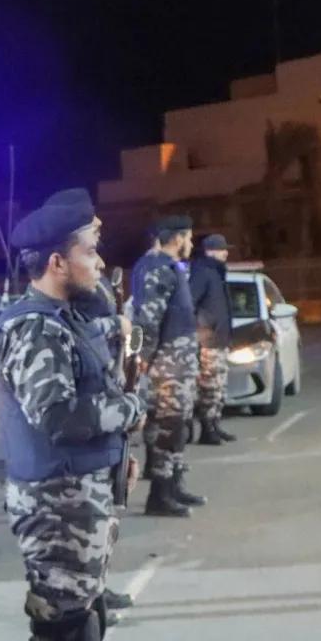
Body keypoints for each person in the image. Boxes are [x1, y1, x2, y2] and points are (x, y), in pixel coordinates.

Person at [0, 197, 153, 641]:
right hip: (56, 504)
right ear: (57, 262)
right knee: (61, 633)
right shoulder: (32, 327)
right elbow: (56, 415)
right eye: (90, 251)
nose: (100, 261)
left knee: (86, 620)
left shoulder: (67, 319)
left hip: (83, 500)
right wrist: (130, 411)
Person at [44, 189, 134, 615]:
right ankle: (87, 595)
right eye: (92, 241)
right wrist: (116, 326)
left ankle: (96, 587)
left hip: (102, 422)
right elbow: (59, 413)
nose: (98, 259)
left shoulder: (88, 289)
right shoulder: (64, 306)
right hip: (79, 441)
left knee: (102, 520)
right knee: (79, 531)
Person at [129, 216, 207, 516]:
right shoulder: (158, 268)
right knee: (169, 427)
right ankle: (160, 496)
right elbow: (146, 320)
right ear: (177, 238)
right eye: (188, 237)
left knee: (179, 425)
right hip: (168, 363)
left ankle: (173, 485)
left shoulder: (170, 267)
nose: (191, 243)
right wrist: (140, 359)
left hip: (178, 362)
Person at [191, 233, 237, 444]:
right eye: (222, 249)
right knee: (209, 385)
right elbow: (191, 302)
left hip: (219, 339)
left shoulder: (217, 272)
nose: (226, 253)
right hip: (209, 340)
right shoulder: (203, 272)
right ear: (210, 251)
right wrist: (204, 327)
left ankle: (215, 424)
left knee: (219, 385)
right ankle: (207, 429)